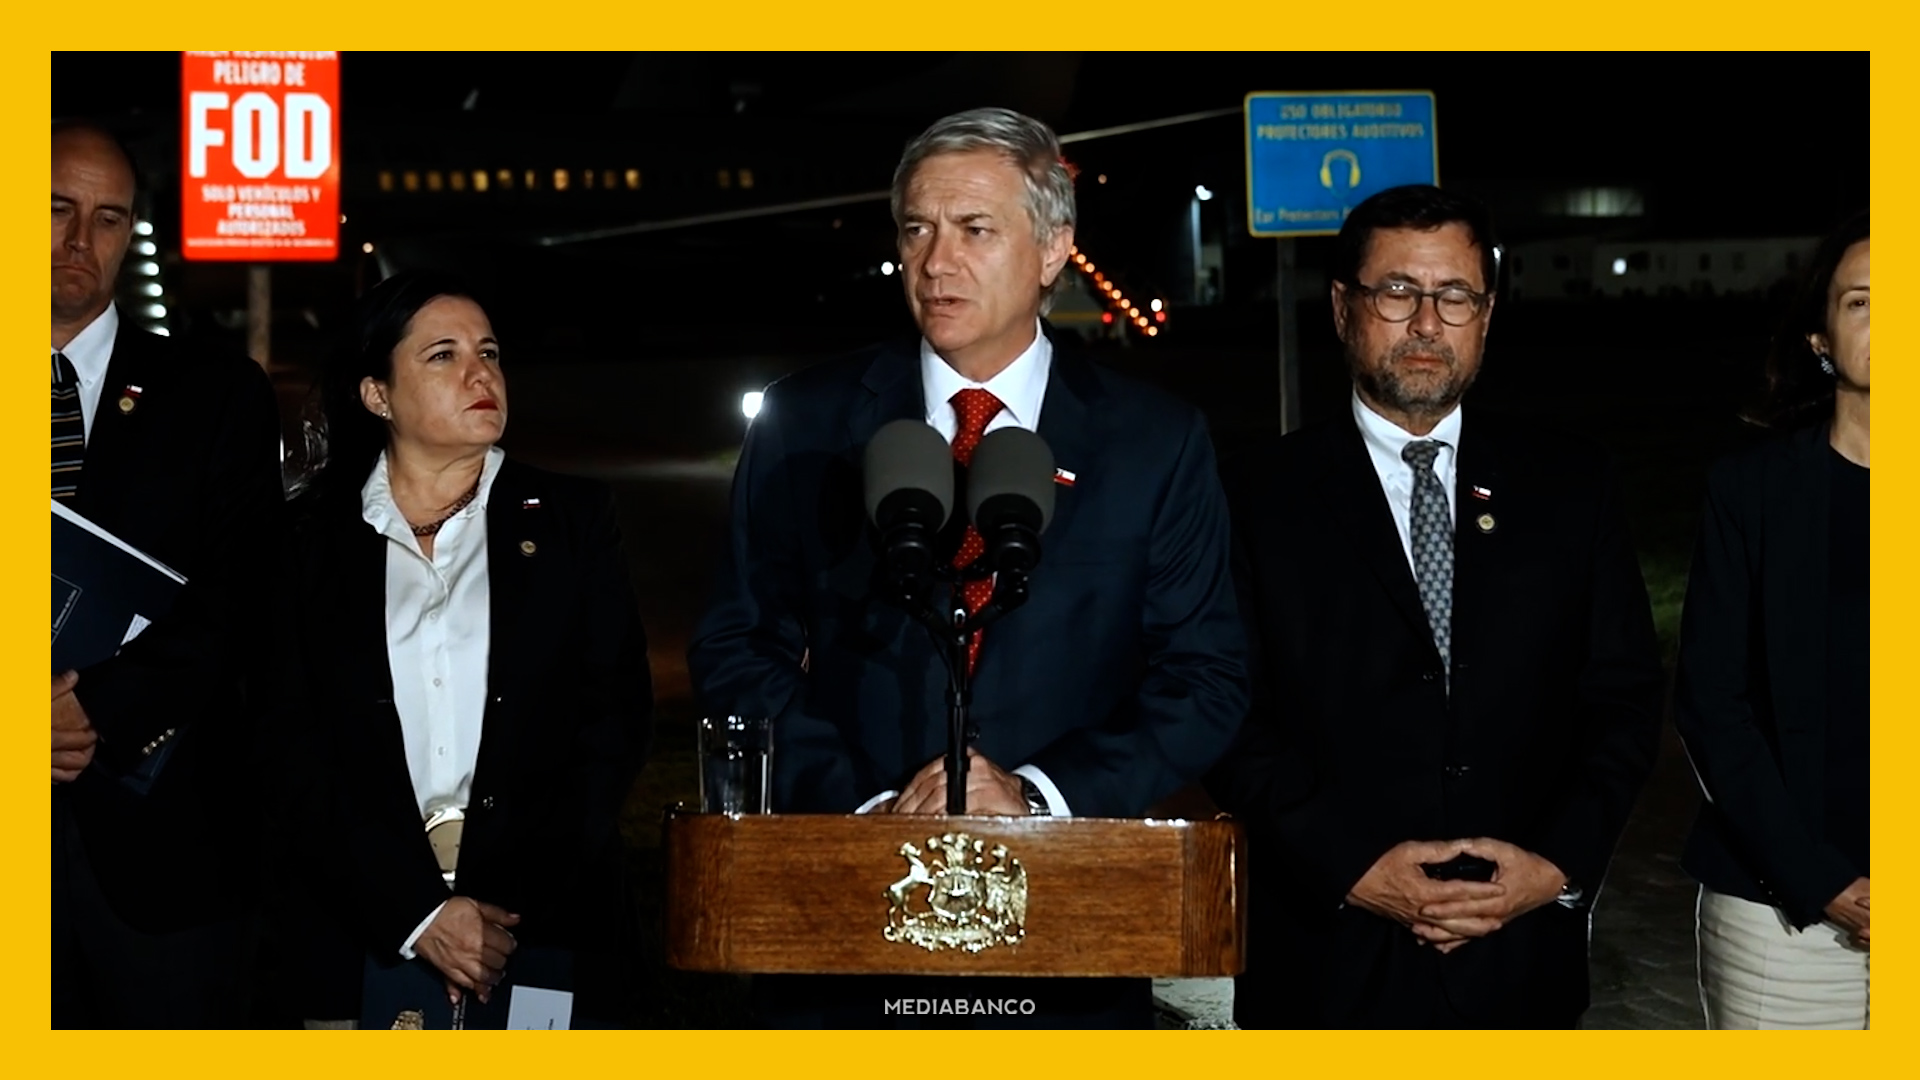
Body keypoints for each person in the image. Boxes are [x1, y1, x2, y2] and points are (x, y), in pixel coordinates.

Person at [688, 107, 1248, 1028]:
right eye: (917, 229)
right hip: (844, 920)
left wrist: (1039, 796)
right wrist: (871, 805)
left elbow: (1205, 677)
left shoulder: (1154, 442)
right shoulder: (805, 423)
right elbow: (737, 646)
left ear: (1054, 248)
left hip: (1069, 926)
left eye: (974, 229)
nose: (935, 261)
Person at [1205, 184, 1665, 1028]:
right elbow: (1226, 710)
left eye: (1455, 296)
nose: (1426, 323)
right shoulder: (1250, 495)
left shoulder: (1572, 485)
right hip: (1325, 959)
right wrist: (1349, 865)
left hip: (1521, 957)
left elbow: (1623, 699)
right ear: (1342, 308)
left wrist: (1556, 865)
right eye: (1397, 291)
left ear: (1486, 316)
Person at [272, 271, 652, 1027]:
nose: (481, 374)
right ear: (377, 395)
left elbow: (614, 721)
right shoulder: (306, 540)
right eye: (443, 355)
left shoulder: (572, 519)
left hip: (539, 927)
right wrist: (418, 915)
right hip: (356, 930)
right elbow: (287, 745)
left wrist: (491, 918)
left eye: (490, 352)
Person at [50, 118, 285, 1027]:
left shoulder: (216, 394)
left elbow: (246, 593)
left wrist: (97, 710)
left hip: (163, 861)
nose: (81, 239)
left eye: (108, 218)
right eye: (55, 208)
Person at [1673, 212, 1869, 1029]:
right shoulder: (1753, 493)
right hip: (1787, 923)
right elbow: (1712, 704)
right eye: (1862, 301)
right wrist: (1818, 879)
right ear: (1821, 341)